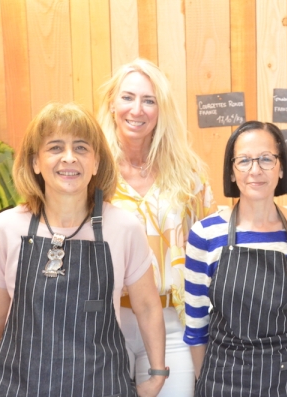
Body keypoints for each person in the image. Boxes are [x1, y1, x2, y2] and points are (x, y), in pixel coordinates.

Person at [0, 102, 167, 397]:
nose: (69, 158)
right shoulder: (7, 227)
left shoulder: (124, 227)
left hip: (100, 386)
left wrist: (158, 372)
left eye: (81, 148)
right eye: (55, 148)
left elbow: (146, 306)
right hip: (18, 386)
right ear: (35, 162)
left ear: (96, 163)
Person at [97, 58, 216, 395]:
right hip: (106, 323)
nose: (137, 109)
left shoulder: (189, 173)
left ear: (161, 109)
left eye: (149, 100)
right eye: (128, 97)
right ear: (111, 102)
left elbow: (210, 249)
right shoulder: (91, 170)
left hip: (172, 324)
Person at [183, 121, 287, 397]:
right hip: (223, 380)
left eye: (266, 159)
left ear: (281, 167)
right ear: (232, 172)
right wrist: (205, 382)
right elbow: (196, 324)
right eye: (244, 161)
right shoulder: (206, 234)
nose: (255, 170)